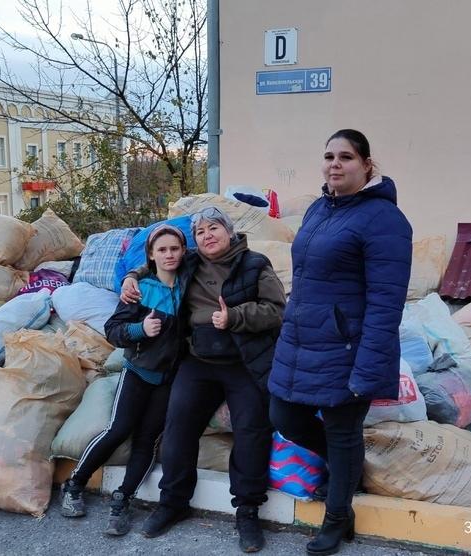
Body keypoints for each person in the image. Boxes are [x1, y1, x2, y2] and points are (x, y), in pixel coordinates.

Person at [268, 129, 412, 555]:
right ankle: (347, 474)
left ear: (367, 165)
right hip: (303, 339)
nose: (335, 164)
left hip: (348, 347)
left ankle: (337, 517)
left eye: (346, 156)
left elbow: (386, 303)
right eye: (329, 156)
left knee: (342, 429)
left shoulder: (385, 220)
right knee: (285, 415)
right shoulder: (319, 209)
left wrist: (368, 366)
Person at [120, 207, 285, 553]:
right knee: (178, 425)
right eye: (200, 232)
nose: (207, 236)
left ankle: (247, 510)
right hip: (198, 360)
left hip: (243, 361)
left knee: (251, 428)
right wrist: (131, 277)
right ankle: (173, 503)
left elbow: (278, 311)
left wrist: (236, 317)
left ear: (229, 231)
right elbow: (155, 262)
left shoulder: (255, 264)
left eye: (214, 229)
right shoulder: (190, 261)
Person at [60, 224, 191, 537]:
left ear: (184, 251)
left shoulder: (189, 280)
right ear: (151, 254)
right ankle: (75, 483)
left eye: (175, 249)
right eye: (162, 249)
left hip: (170, 378)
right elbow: (113, 330)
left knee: (147, 439)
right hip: (138, 372)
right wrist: (140, 330)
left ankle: (123, 500)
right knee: (119, 429)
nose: (170, 254)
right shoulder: (140, 288)